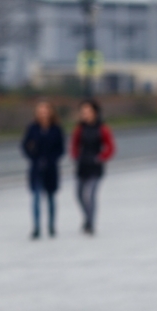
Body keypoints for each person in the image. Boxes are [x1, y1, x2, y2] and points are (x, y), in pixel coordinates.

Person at [21, 101, 65, 239]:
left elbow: (61, 149)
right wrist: (32, 156)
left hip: (51, 168)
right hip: (36, 167)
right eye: (40, 110)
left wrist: (52, 159)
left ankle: (51, 225)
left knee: (51, 198)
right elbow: (24, 145)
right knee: (35, 197)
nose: (43, 113)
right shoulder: (32, 128)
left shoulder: (56, 128)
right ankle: (36, 227)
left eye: (46, 110)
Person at [70, 100, 115, 235]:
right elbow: (74, 145)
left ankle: (90, 222)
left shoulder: (102, 128)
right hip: (82, 165)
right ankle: (87, 217)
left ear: (95, 113)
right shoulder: (79, 128)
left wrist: (101, 157)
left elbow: (110, 147)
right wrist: (76, 156)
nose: (85, 115)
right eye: (83, 112)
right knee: (79, 195)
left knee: (90, 195)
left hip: (95, 166)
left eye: (88, 111)